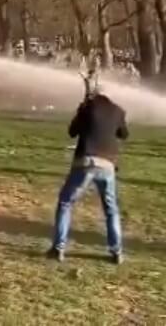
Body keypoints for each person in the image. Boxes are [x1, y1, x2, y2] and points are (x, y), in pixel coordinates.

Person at [47, 84, 129, 264]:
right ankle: (117, 251)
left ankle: (59, 247)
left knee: (66, 202)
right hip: (107, 165)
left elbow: (72, 132)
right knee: (111, 209)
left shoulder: (87, 107)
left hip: (85, 161)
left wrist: (81, 110)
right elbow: (124, 134)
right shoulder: (118, 111)